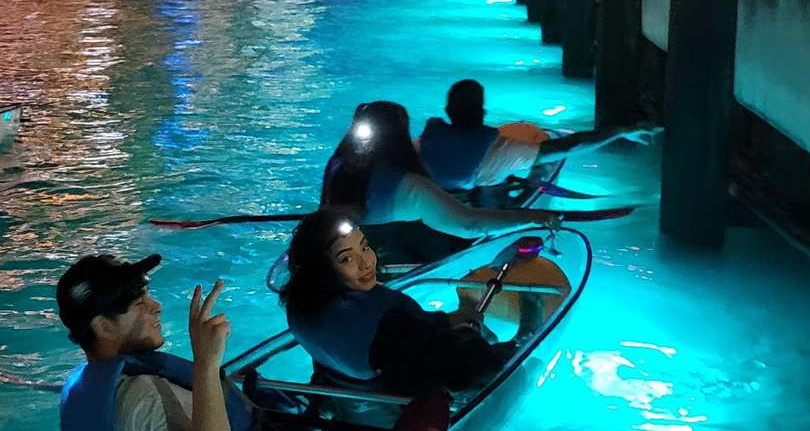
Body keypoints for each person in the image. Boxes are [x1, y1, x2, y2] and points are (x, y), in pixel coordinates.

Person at [277, 209, 509, 394]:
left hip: (351, 384)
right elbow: (471, 369)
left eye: (364, 247)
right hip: (400, 391)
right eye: (346, 258)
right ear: (322, 270)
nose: (366, 262)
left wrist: (442, 320)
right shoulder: (386, 326)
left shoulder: (302, 305)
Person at [56, 252, 248, 431]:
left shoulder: (84, 389)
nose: (157, 306)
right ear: (104, 326)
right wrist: (207, 363)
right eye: (139, 303)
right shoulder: (144, 397)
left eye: (148, 295)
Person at [321, 102, 557, 245]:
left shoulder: (337, 164)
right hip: (399, 250)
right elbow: (469, 225)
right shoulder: (410, 185)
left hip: (351, 242)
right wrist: (534, 217)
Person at [418, 80, 657, 191]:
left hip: (434, 198)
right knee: (545, 157)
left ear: (448, 111)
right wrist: (620, 131)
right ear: (482, 113)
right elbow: (571, 145)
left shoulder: (427, 139)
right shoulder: (501, 150)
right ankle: (535, 180)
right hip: (477, 201)